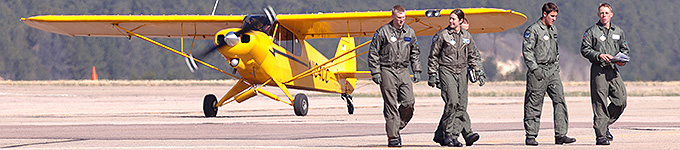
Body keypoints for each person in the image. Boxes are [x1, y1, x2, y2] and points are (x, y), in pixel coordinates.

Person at [521, 2, 576, 146]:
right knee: (534, 103)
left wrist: (556, 66)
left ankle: (561, 134)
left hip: (552, 71)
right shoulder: (533, 30)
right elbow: (527, 52)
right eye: (552, 16)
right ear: (544, 14)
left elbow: (556, 51)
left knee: (560, 100)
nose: (554, 19)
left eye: (556, 16)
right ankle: (531, 135)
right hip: (538, 71)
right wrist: (535, 69)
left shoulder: (553, 30)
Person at [428, 9, 485, 147]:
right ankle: (448, 133)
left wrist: (478, 72)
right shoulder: (442, 35)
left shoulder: (467, 36)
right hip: (447, 70)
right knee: (452, 101)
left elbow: (472, 56)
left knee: (461, 105)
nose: (451, 21)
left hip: (462, 71)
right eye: (450, 18)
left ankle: (452, 136)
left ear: (461, 21)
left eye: (454, 19)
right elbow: (433, 56)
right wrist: (432, 74)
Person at [367, 5, 422, 147]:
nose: (401, 21)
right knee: (390, 104)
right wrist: (376, 72)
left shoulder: (410, 32)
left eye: (403, 18)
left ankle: (395, 126)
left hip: (403, 70)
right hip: (387, 69)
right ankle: (393, 137)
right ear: (393, 17)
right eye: (399, 18)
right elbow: (373, 52)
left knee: (409, 102)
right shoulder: (382, 32)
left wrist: (417, 69)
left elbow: (415, 52)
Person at [580, 3, 629, 145]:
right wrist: (599, 55)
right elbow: (585, 49)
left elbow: (625, 49)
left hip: (613, 70)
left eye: (606, 13)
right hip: (598, 70)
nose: (604, 15)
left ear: (611, 14)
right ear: (598, 15)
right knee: (600, 102)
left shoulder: (618, 31)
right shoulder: (592, 31)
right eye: (601, 13)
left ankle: (604, 124)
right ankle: (601, 135)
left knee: (621, 100)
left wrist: (622, 60)